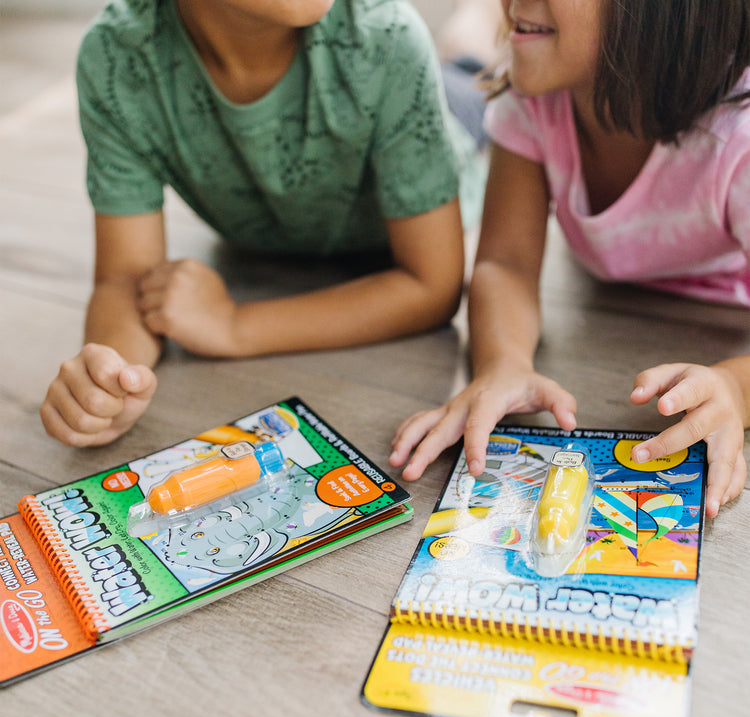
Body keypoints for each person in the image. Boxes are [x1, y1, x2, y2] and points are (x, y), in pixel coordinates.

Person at [40, 0, 487, 447]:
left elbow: (433, 284)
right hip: (293, 212)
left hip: (449, 122)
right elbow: (126, 280)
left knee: (476, 80)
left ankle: (480, 23)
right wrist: (111, 380)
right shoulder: (117, 56)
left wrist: (235, 325)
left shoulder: (387, 36)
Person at [390, 0, 750, 518]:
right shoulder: (534, 97)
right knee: (472, 58)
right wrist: (503, 362)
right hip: (611, 289)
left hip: (718, 314)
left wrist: (735, 385)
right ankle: (467, 36)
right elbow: (504, 263)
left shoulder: (735, 137)